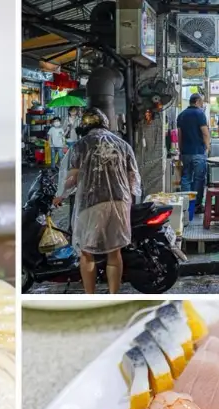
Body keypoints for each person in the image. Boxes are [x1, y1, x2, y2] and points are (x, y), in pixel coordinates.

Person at [63, 107, 140, 294]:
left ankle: (91, 296)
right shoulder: (122, 145)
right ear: (106, 123)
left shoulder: (81, 145)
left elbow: (71, 179)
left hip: (92, 204)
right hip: (120, 203)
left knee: (87, 252)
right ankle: (113, 295)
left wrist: (62, 192)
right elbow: (133, 178)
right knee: (114, 252)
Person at [177, 92, 211, 222]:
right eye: (201, 102)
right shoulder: (199, 114)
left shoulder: (181, 115)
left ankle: (186, 204)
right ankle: (196, 205)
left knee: (186, 177)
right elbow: (205, 133)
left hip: (185, 152)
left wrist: (181, 150)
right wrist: (207, 147)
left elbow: (179, 135)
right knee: (199, 178)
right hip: (198, 152)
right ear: (197, 101)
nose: (202, 105)